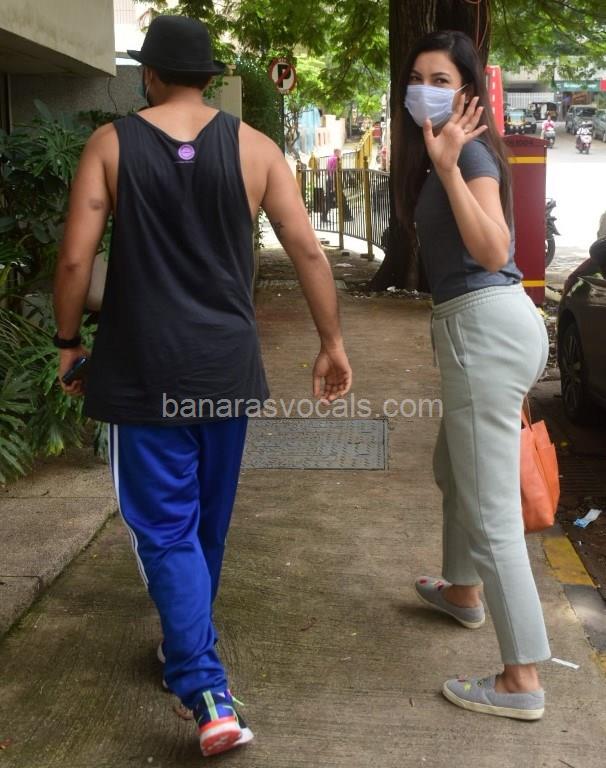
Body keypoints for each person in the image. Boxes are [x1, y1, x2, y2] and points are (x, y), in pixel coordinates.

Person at [53, 15, 352, 758]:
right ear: (211, 79)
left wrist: (67, 344)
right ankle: (185, 644)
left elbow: (75, 261)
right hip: (224, 370)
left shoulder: (111, 144)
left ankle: (205, 687)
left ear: (150, 76)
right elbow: (309, 252)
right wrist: (331, 344)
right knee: (204, 524)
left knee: (164, 530)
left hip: (143, 370)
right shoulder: (257, 149)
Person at [399, 30, 550, 720]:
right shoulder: (445, 153)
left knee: (492, 514)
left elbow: (493, 248)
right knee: (452, 471)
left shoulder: (469, 153)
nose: (424, 88)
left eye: (441, 79)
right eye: (416, 76)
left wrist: (452, 167)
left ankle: (522, 680)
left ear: (467, 92)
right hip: (488, 329)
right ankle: (462, 591)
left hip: (483, 330)